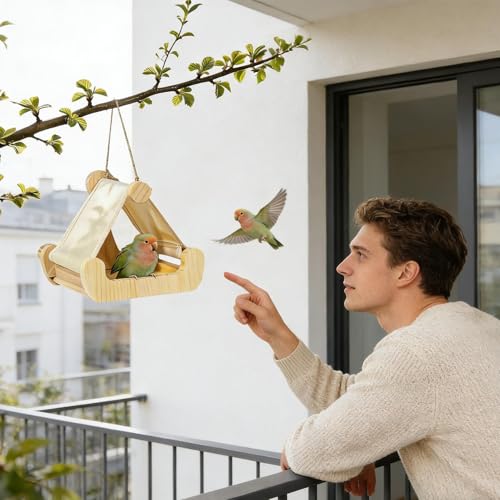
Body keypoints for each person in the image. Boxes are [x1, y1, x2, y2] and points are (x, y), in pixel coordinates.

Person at [225, 196, 500, 499]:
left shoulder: (416, 353)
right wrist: (278, 335)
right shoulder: (480, 327)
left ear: (405, 272)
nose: (342, 267)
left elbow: (310, 453)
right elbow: (362, 399)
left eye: (360, 255)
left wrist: (348, 450)